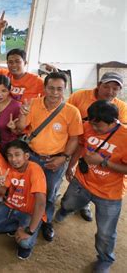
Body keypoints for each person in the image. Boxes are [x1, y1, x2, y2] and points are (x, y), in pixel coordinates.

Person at [55, 100, 127, 273]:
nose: (93, 128)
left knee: (105, 233)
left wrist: (104, 162)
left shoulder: (125, 137)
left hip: (110, 193)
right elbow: (80, 146)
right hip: (82, 181)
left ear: (113, 122)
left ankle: (105, 259)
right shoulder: (88, 125)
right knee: (67, 203)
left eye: (99, 126)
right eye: (91, 123)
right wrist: (72, 164)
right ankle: (65, 211)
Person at [15, 72, 83, 241]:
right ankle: (25, 217)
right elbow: (20, 128)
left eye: (59, 89)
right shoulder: (33, 104)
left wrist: (64, 158)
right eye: (51, 88)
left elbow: (75, 138)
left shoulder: (72, 112)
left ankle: (47, 222)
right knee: (27, 189)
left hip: (55, 160)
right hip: (31, 157)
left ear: (65, 90)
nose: (54, 93)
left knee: (50, 193)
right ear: (44, 88)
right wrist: (23, 114)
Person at [67, 72, 126, 222]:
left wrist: (103, 161)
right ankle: (68, 208)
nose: (110, 91)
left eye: (115, 88)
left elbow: (120, 137)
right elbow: (67, 114)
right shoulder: (80, 96)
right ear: (99, 85)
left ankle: (84, 205)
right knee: (73, 191)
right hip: (77, 142)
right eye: (106, 86)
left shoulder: (122, 109)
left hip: (104, 161)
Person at [0, 139, 46, 260]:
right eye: (10, 155)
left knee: (24, 243)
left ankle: (33, 228)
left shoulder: (35, 170)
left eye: (17, 155)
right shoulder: (8, 169)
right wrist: (0, 184)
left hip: (29, 212)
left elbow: (41, 203)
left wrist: (29, 231)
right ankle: (17, 227)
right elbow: (2, 192)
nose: (13, 159)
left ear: (26, 156)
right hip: (10, 206)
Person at [0, 75, 21, 150]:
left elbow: (19, 132)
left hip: (8, 148)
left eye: (4, 91)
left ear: (9, 91)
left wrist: (13, 129)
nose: (0, 94)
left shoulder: (16, 106)